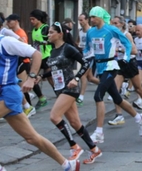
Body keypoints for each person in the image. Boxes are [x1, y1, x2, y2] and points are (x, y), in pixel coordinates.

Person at [0, 35, 80, 171]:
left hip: (9, 94)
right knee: (32, 138)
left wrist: (31, 78)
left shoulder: (6, 42)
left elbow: (36, 54)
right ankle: (68, 165)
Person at [37, 22, 102, 164]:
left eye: (51, 32)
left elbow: (86, 63)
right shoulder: (53, 50)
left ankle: (74, 147)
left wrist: (76, 78)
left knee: (54, 116)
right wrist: (39, 77)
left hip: (70, 88)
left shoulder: (68, 48)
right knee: (75, 122)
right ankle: (94, 149)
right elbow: (52, 69)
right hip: (60, 89)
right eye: (48, 33)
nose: (48, 35)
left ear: (60, 34)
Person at [83, 7, 142, 143]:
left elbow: (127, 44)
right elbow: (88, 49)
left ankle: (99, 132)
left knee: (98, 96)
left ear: (100, 17)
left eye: (94, 17)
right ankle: (139, 117)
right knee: (117, 99)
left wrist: (126, 57)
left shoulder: (111, 30)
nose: (91, 19)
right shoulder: (91, 32)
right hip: (100, 66)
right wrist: (83, 59)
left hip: (111, 66)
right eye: (90, 17)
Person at [108, 16, 142, 127]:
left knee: (138, 89)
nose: (114, 25)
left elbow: (134, 50)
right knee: (115, 89)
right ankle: (119, 115)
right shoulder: (113, 36)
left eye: (116, 23)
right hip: (119, 64)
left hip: (130, 63)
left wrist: (119, 49)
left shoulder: (126, 35)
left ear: (121, 24)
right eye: (112, 23)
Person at [5, 14, 36, 117]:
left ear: (16, 21)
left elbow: (24, 46)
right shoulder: (12, 32)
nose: (8, 23)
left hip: (23, 61)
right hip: (17, 62)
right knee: (18, 85)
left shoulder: (18, 33)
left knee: (21, 86)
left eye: (10, 21)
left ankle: (29, 107)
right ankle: (26, 105)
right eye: (7, 22)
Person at [30, 9, 52, 110]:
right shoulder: (34, 30)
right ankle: (41, 98)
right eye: (30, 19)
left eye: (33, 19)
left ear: (39, 19)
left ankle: (62, 95)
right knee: (32, 78)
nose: (31, 21)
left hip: (47, 56)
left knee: (50, 78)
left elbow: (50, 40)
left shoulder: (45, 28)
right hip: (38, 58)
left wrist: (42, 42)